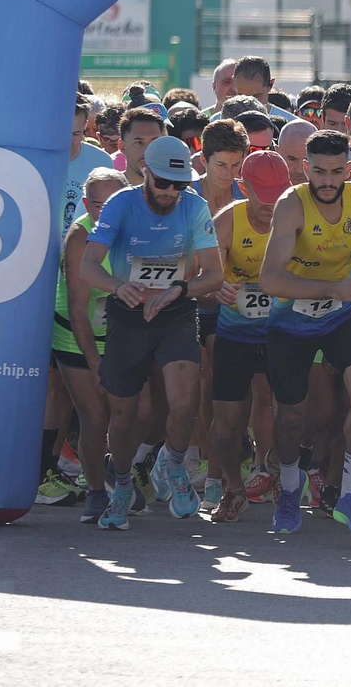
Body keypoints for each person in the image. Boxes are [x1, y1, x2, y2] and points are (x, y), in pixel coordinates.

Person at [258, 130, 351, 535]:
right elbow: (270, 280)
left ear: (349, 171)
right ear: (306, 169)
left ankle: (350, 495)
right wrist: (334, 288)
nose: (327, 181)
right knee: (291, 415)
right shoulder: (291, 205)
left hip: (341, 316)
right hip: (291, 319)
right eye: (319, 172)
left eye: (336, 172)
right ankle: (290, 489)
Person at [78, 136, 223, 530]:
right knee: (124, 414)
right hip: (127, 316)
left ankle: (172, 463)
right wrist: (117, 286)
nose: (171, 192)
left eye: (180, 184)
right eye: (163, 183)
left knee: (185, 401)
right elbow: (88, 266)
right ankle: (122, 483)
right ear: (145, 172)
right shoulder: (120, 204)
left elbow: (214, 274)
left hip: (175, 312)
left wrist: (179, 289)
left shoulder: (194, 206)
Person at [201, 150, 289, 523]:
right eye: (263, 196)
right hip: (234, 332)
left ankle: (277, 475)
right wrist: (215, 289)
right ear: (244, 187)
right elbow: (201, 283)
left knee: (288, 412)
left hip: (281, 332)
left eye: (277, 196)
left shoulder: (294, 216)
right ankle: (233, 490)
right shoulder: (226, 222)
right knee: (227, 422)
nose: (270, 206)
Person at [53, 167, 128, 522]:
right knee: (94, 417)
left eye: (114, 203)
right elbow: (78, 310)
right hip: (75, 334)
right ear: (86, 205)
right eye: (98, 206)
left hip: (121, 334)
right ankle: (96, 492)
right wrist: (95, 363)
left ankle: (117, 471)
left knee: (138, 413)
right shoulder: (80, 238)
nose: (106, 212)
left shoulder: (139, 229)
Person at [59, 94, 116, 240]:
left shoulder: (102, 161)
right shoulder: (38, 160)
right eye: (63, 133)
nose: (69, 141)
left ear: (85, 127)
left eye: (76, 134)